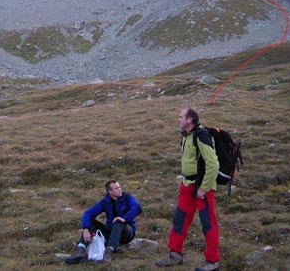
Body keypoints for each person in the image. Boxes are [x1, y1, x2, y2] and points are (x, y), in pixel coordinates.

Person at [156, 108, 221, 271]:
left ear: (190, 120)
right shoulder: (186, 136)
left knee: (208, 223)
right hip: (187, 186)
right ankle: (175, 254)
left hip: (201, 188)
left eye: (181, 117)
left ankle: (212, 262)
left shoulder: (201, 136)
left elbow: (214, 165)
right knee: (180, 219)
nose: (178, 119)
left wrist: (204, 189)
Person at [65, 179, 142, 264]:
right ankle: (81, 250)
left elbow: (137, 207)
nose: (120, 189)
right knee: (90, 221)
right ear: (110, 192)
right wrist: (86, 229)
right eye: (116, 188)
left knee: (118, 221)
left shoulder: (127, 198)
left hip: (126, 233)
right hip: (110, 232)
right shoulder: (106, 202)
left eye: (119, 187)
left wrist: (124, 218)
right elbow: (88, 213)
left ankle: (109, 251)